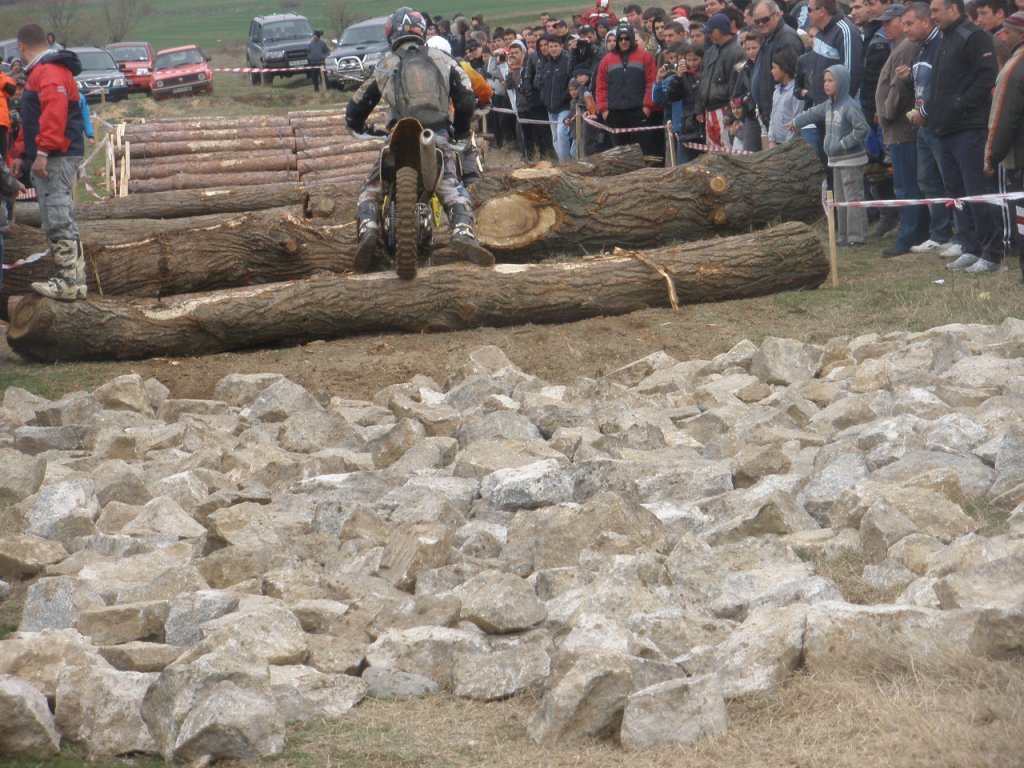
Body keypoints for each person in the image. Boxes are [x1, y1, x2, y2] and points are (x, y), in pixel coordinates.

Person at [345, 8, 493, 271]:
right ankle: (462, 231)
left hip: (398, 134)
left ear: (391, 34)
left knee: (372, 188)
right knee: (450, 185)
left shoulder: (385, 65)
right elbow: (466, 99)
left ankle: (369, 228)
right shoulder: (443, 59)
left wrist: (358, 125)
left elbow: (358, 104)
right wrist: (460, 132)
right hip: (436, 134)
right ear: (421, 31)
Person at [10, 23, 86, 301]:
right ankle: (76, 279)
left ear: (21, 47)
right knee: (57, 214)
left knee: (57, 214)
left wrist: (42, 152)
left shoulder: (49, 71)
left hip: (57, 153)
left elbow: (54, 114)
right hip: (51, 151)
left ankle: (67, 280)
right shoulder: (40, 71)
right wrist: (22, 153)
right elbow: (31, 119)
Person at [929, 0, 1003, 273]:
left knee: (977, 192)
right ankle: (970, 246)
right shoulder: (944, 39)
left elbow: (987, 77)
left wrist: (960, 104)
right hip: (945, 131)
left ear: (953, 8)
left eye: (935, 10)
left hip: (970, 129)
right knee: (957, 194)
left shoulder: (974, 36)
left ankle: (992, 253)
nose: (932, 16)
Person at [791, 65, 871, 245]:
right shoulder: (828, 105)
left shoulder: (850, 106)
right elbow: (812, 113)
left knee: (852, 199)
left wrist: (843, 144)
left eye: (830, 80)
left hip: (851, 161)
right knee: (840, 200)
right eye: (825, 80)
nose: (826, 84)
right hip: (836, 161)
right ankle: (843, 235)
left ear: (841, 83)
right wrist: (796, 122)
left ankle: (857, 236)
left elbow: (862, 129)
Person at [900, 2, 955, 254]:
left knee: (950, 180)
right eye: (903, 24)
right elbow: (921, 86)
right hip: (922, 127)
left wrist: (925, 112)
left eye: (909, 23)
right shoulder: (919, 49)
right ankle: (939, 233)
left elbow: (942, 87)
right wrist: (907, 79)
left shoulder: (940, 45)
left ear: (925, 22)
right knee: (927, 179)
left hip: (940, 126)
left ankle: (961, 235)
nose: (905, 29)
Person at [875, 3, 930, 256]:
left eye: (890, 22)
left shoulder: (907, 47)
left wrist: (886, 111)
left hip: (902, 128)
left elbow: (899, 87)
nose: (885, 27)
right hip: (898, 129)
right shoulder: (898, 46)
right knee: (907, 183)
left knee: (906, 186)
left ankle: (910, 234)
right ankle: (916, 231)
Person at [984, 10, 1024, 281]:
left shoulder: (1013, 68)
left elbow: (1002, 118)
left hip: (1020, 158)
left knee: (1021, 215)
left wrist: (991, 156)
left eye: (1007, 31)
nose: (1003, 36)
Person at [595, 22, 658, 153]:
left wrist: (647, 107)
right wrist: (604, 110)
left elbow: (651, 83)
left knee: (644, 150)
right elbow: (601, 87)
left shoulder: (645, 57)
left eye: (627, 38)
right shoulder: (607, 60)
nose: (623, 42)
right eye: (620, 39)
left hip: (638, 111)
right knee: (620, 152)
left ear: (632, 39)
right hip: (615, 113)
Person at [750, 0, 805, 133]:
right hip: (770, 111)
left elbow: (791, 79)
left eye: (765, 19)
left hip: (784, 115)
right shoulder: (769, 37)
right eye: (757, 21)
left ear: (777, 15)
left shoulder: (787, 39)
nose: (761, 24)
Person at [695, 13, 744, 148]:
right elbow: (703, 81)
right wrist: (699, 108)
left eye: (711, 31)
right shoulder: (710, 51)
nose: (708, 35)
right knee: (713, 153)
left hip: (724, 110)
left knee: (728, 150)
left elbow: (736, 85)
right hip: (709, 110)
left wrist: (731, 113)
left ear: (721, 29)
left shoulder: (736, 51)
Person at [767, 47, 804, 146]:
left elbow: (797, 118)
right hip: (777, 143)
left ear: (785, 68)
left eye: (774, 67)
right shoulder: (777, 91)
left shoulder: (796, 91)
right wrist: (771, 140)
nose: (771, 71)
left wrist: (787, 146)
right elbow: (773, 116)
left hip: (791, 145)